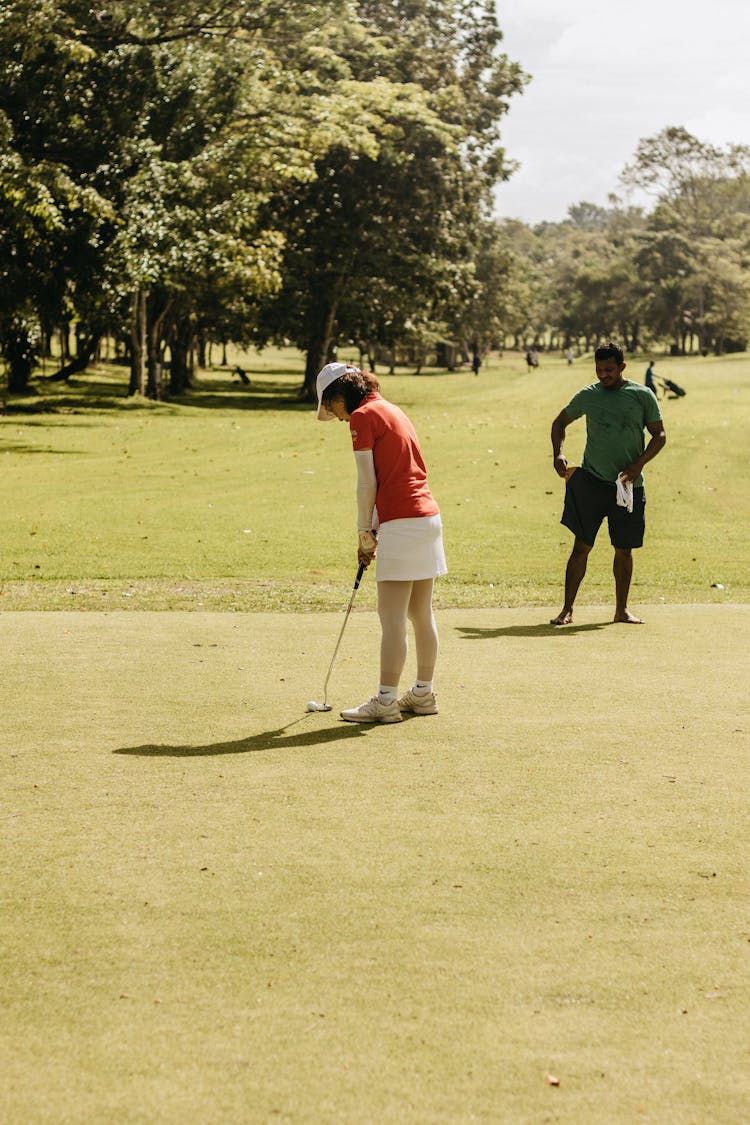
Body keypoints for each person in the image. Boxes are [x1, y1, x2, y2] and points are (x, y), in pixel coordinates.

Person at [316, 362, 447, 722]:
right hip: (427, 518)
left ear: (339, 395)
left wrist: (363, 531)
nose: (336, 418)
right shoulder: (392, 408)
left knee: (391, 616)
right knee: (420, 612)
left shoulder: (362, 417)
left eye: (331, 407)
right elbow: (393, 475)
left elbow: (366, 483)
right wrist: (374, 531)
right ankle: (423, 694)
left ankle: (386, 701)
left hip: (402, 522)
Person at [549, 340, 666, 625]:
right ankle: (567, 610)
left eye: (609, 370)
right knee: (581, 546)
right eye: (600, 370)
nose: (604, 375)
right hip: (592, 482)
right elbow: (559, 423)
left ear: (622, 367)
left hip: (627, 486)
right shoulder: (589, 395)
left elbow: (659, 435)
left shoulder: (642, 395)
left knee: (623, 550)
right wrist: (559, 453)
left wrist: (638, 465)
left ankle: (621, 610)